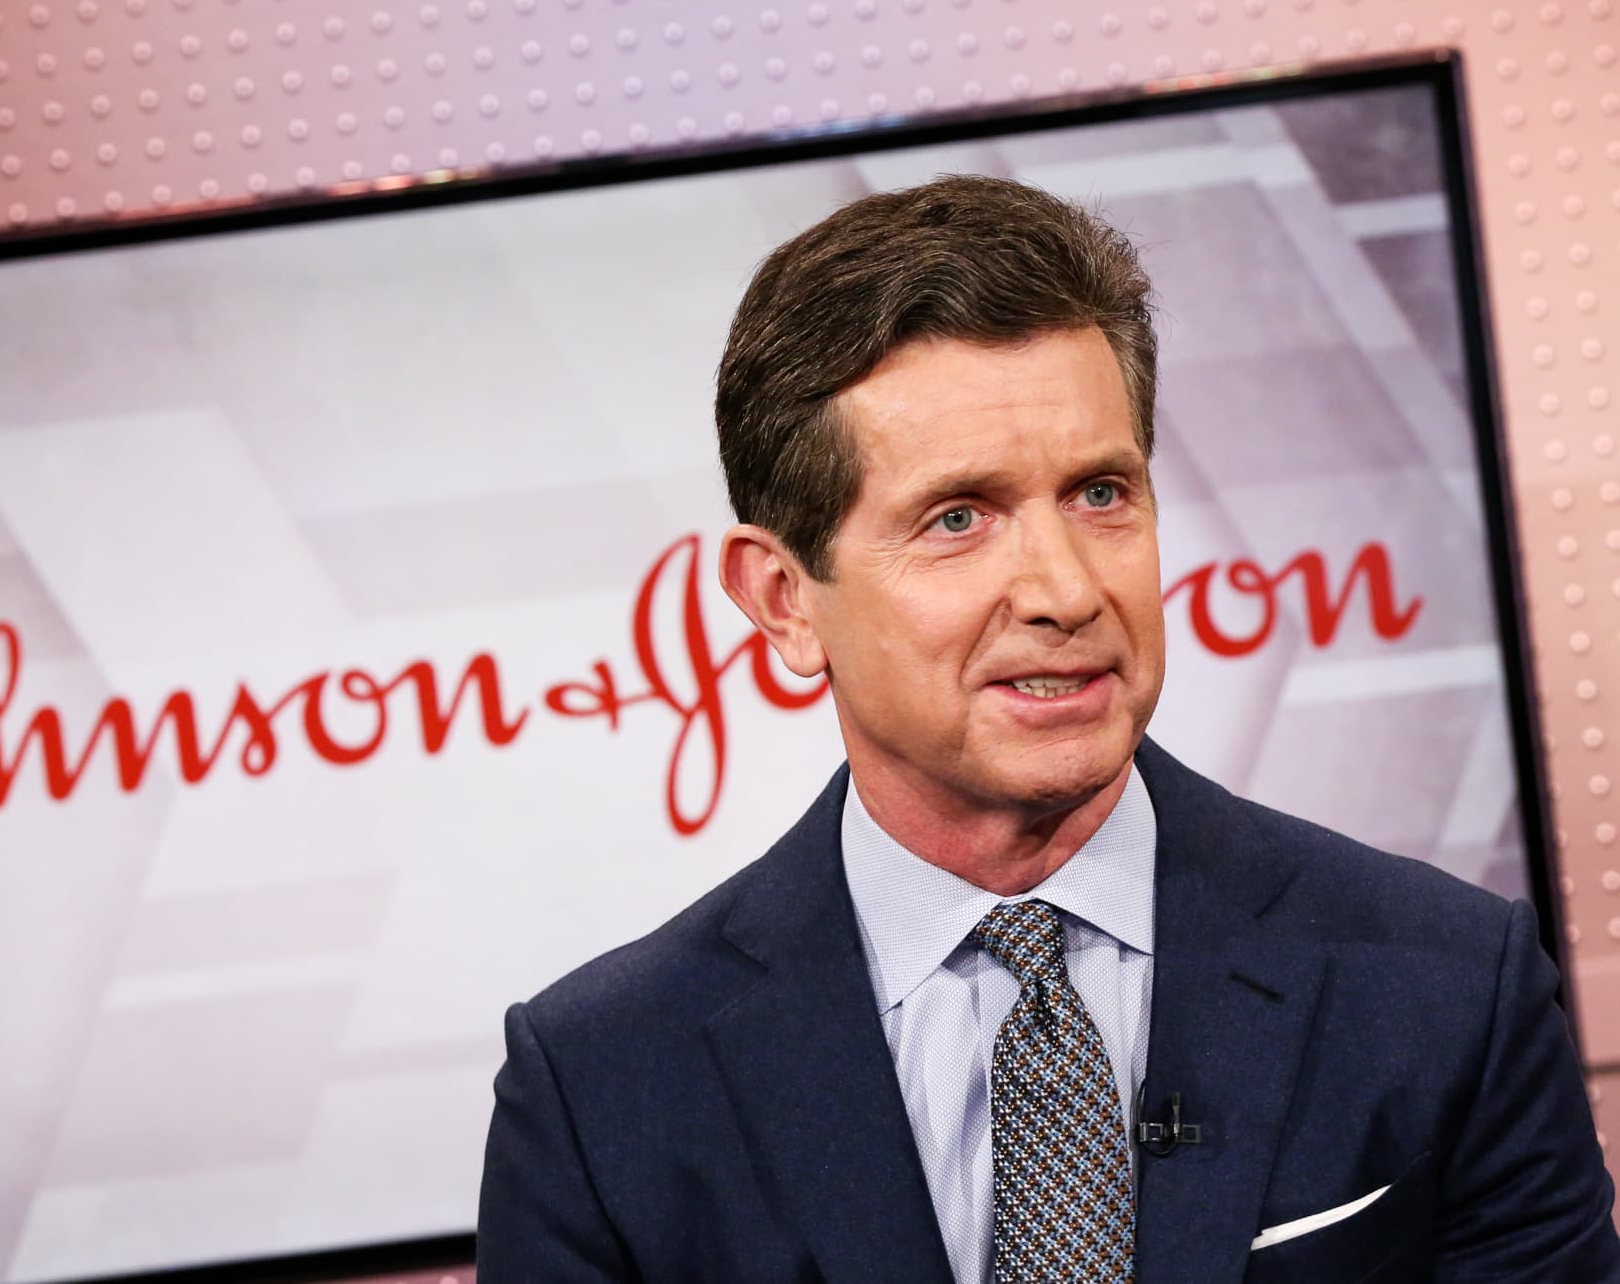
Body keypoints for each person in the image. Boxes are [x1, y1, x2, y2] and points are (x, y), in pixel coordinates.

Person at [475, 174, 1620, 1282]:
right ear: (783, 599)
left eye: (1099, 494)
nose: (1065, 591)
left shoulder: (1442, 988)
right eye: (957, 518)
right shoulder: (600, 1088)